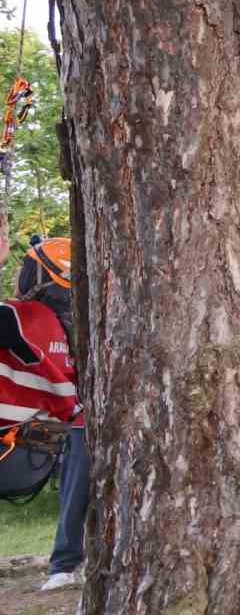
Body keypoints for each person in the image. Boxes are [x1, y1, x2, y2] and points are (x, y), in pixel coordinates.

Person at [0, 237, 86, 593]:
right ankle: (65, 563)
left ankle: (65, 564)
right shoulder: (88, 329)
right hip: (46, 450)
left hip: (13, 451)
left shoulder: (18, 318)